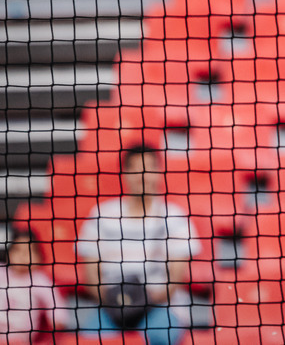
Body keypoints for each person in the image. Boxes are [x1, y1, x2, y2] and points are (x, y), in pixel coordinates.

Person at [76, 144, 201, 345]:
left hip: (159, 309)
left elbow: (176, 278)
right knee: (90, 336)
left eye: (150, 168)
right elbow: (91, 277)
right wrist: (120, 303)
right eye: (135, 169)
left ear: (159, 173)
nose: (143, 175)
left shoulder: (175, 218)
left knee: (162, 336)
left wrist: (142, 302)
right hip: (111, 308)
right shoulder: (101, 215)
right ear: (125, 174)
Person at [0, 226, 68, 344]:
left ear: (38, 257)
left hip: (19, 335)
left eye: (28, 251)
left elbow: (54, 302)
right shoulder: (1, 272)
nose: (22, 256)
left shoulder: (39, 280)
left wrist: (58, 318)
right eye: (17, 250)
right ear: (8, 253)